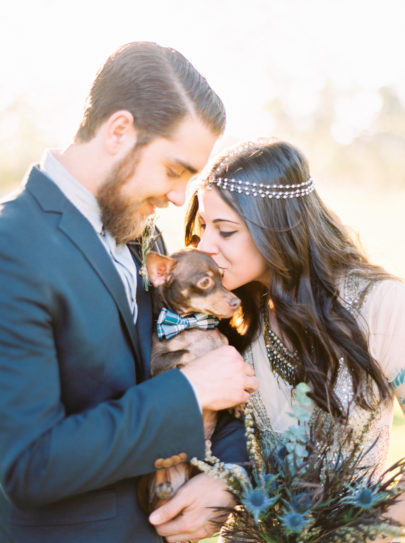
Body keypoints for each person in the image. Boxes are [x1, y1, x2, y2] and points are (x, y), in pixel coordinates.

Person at [0, 42, 258, 543]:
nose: (180, 197)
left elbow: (206, 375)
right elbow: (28, 466)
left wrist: (228, 478)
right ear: (119, 131)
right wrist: (187, 395)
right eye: (175, 170)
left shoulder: (148, 237)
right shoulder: (12, 247)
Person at [185, 138, 405, 540]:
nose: (205, 248)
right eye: (202, 227)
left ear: (277, 226)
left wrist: (351, 524)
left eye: (225, 230)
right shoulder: (228, 323)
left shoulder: (383, 306)